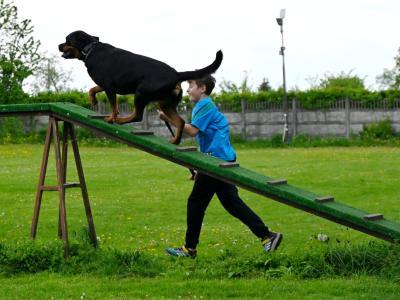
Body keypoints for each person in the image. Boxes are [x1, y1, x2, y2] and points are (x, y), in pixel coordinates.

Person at [158, 75, 282, 258]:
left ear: (202, 89)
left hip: (217, 163)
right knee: (231, 203)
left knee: (195, 203)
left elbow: (191, 131)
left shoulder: (205, 106)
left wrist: (170, 117)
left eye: (191, 85)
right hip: (219, 160)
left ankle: (189, 249)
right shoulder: (203, 107)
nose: (188, 89)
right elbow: (202, 136)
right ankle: (267, 236)